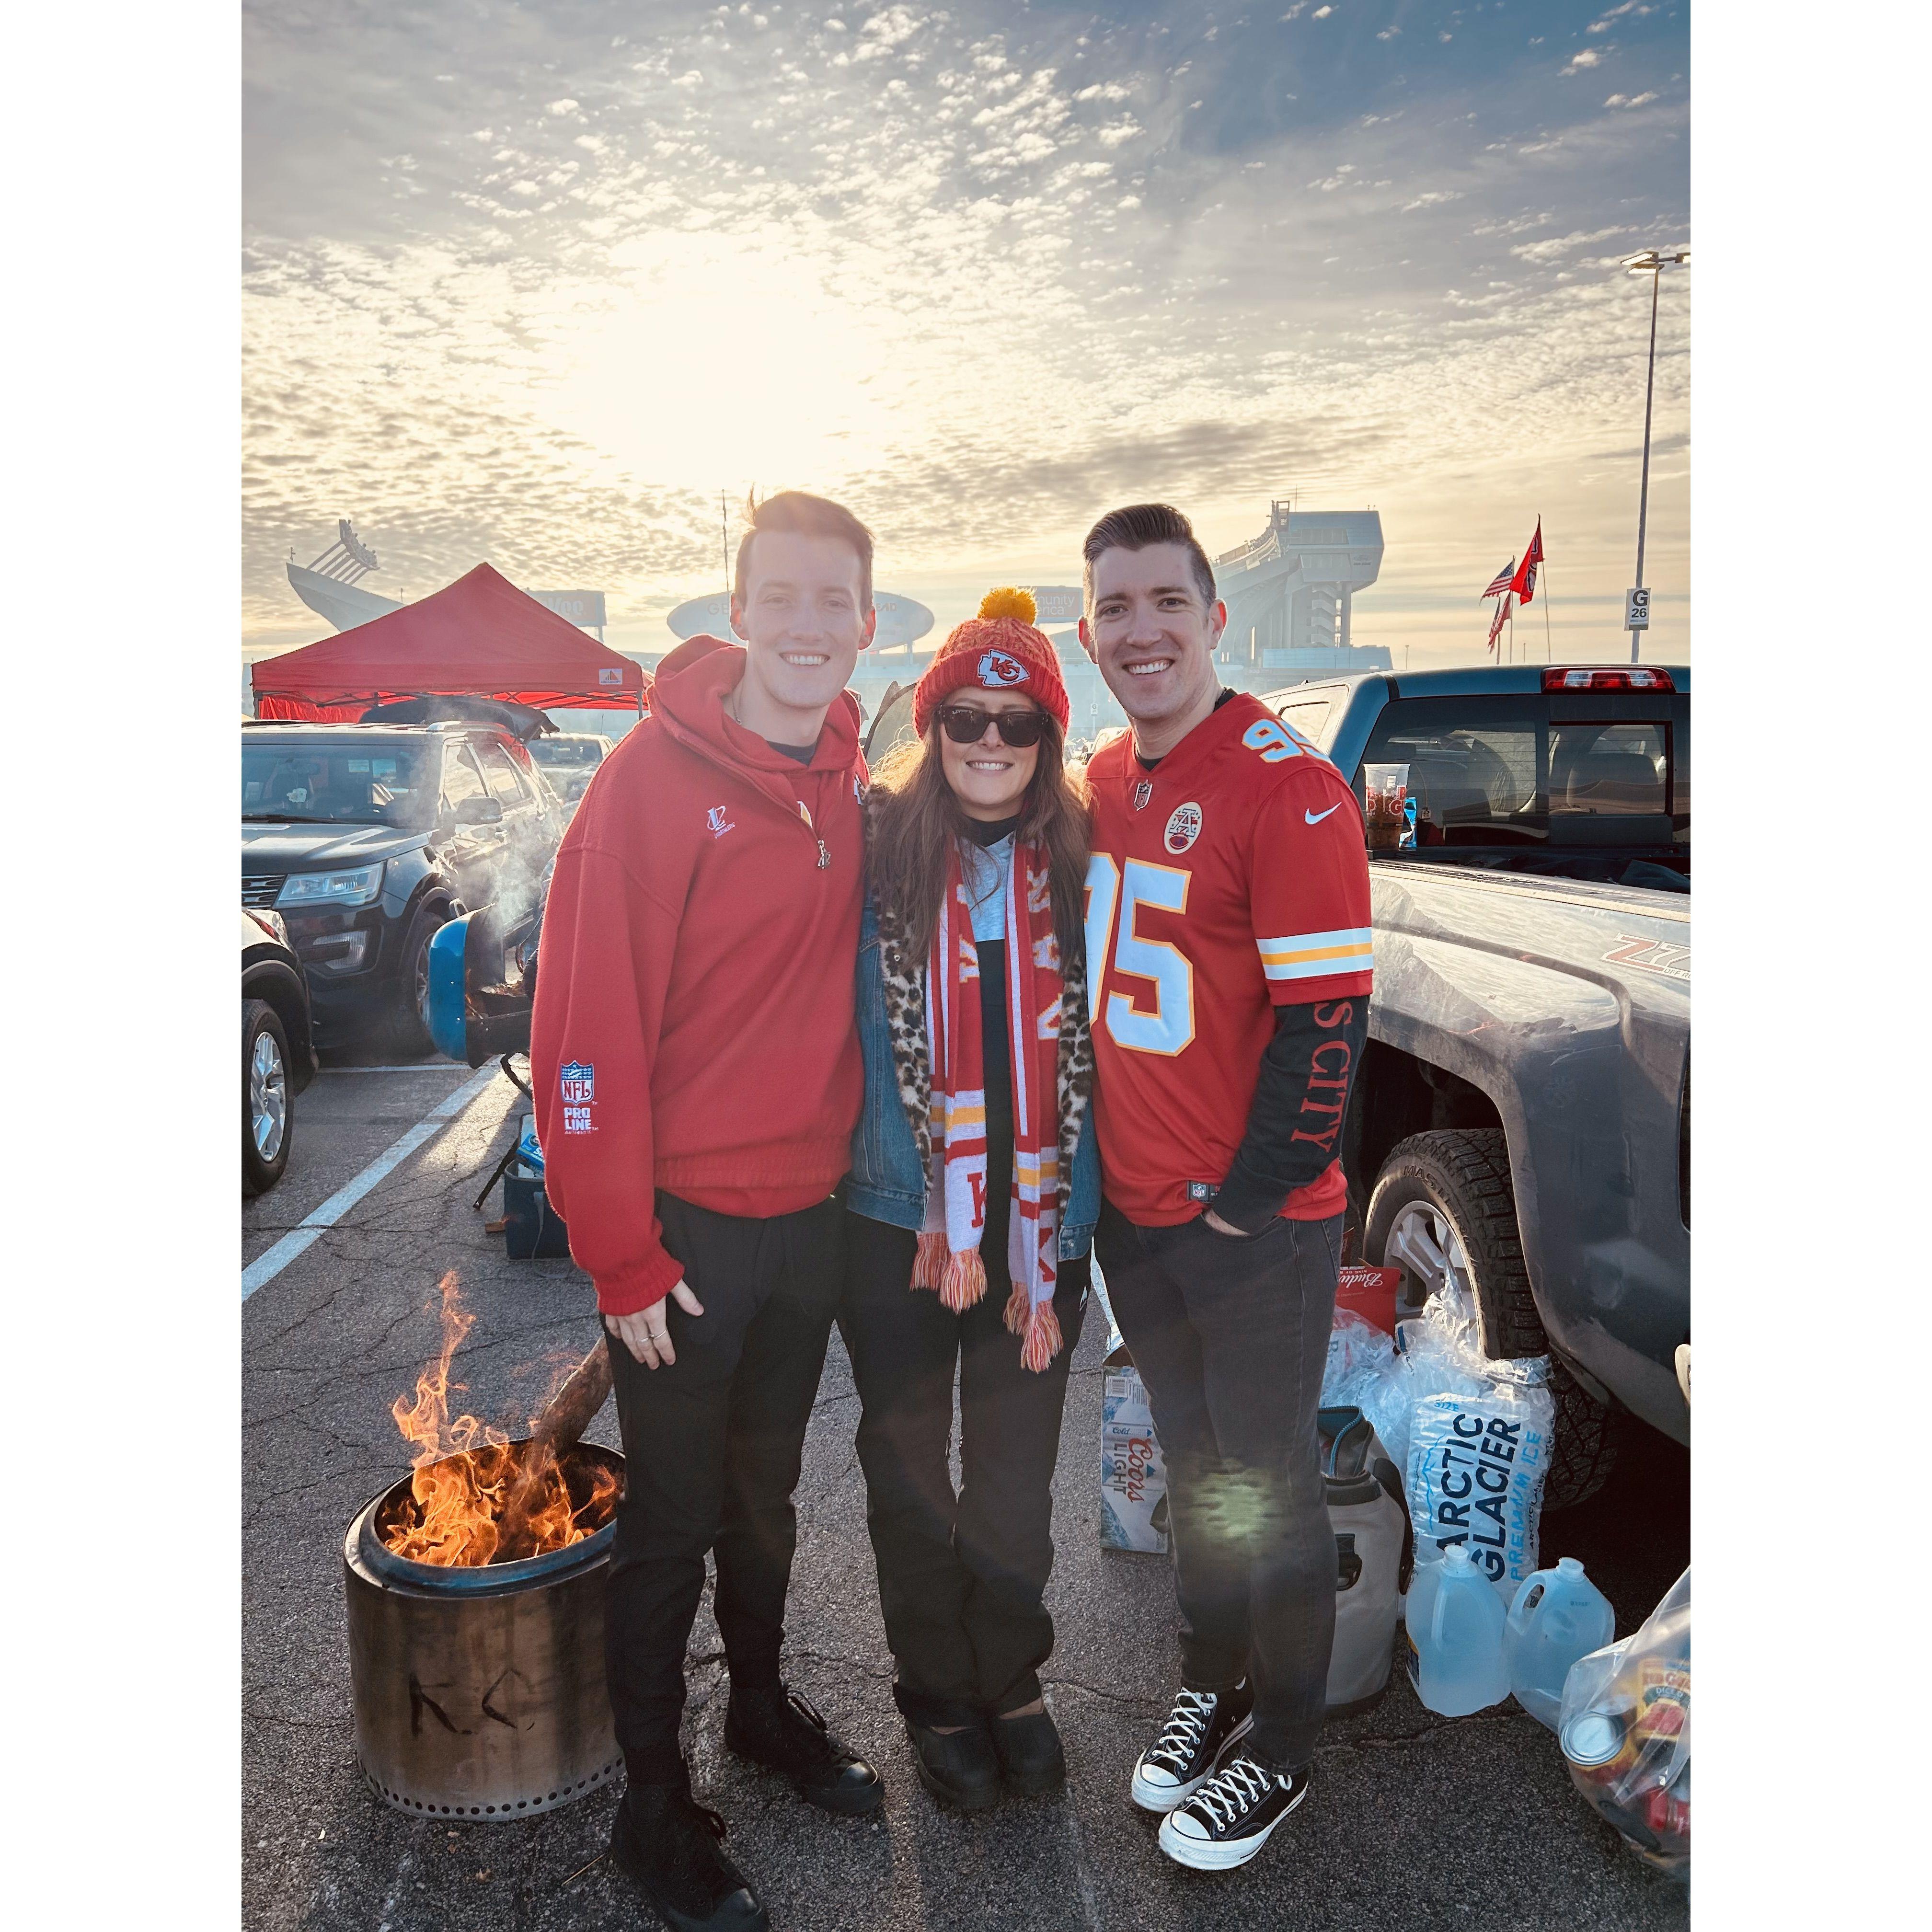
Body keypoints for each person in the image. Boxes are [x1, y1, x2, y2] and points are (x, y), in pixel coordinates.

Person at [532, 490, 886, 1932]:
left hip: (811, 1221)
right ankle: (651, 1805)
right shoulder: (648, 785)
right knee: (669, 1525)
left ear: (867, 624)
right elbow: (582, 1036)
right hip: (681, 1237)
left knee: (769, 1499)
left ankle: (758, 1709)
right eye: (782, 597)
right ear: (737, 612)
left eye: (835, 602)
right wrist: (618, 1252)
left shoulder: (858, 779)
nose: (808, 627)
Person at [1075, 503, 1374, 1874]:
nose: (1141, 630)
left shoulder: (1287, 784)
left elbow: (1328, 1033)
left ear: (1214, 618)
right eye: (1116, 607)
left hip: (1246, 1226)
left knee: (1267, 1481)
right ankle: (1218, 1671)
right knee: (1199, 1473)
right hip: (1138, 1217)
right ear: (1090, 631)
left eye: (1166, 604)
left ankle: (1290, 1750)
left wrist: (1251, 1203)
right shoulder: (1107, 775)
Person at [840, 588, 1100, 1812]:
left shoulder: (1090, 869)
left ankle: (1011, 1680)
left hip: (1037, 1236)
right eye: (964, 717)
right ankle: (936, 1689)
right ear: (931, 722)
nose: (989, 742)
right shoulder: (875, 847)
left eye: (1017, 723)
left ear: (1050, 738)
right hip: (901, 1221)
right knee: (907, 1480)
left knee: (1011, 1483)